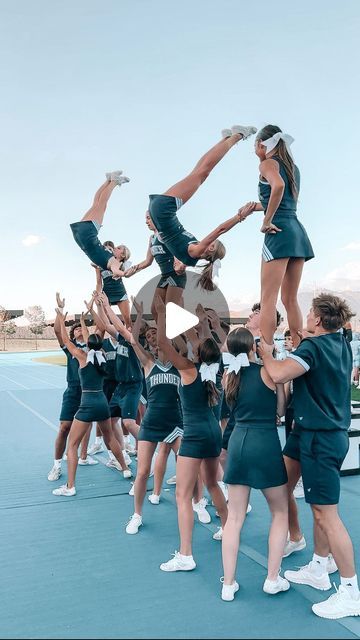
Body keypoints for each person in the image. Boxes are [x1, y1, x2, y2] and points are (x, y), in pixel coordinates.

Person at [259, 293, 360, 620]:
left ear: (316, 320)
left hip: (320, 438)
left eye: (309, 314)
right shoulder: (341, 341)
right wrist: (289, 293)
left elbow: (278, 375)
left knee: (325, 514)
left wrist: (266, 355)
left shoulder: (314, 348)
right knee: (281, 488)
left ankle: (350, 591)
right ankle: (318, 563)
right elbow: (294, 311)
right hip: (306, 432)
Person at [153, 295, 227, 572]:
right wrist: (198, 320)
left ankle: (185, 555)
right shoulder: (216, 370)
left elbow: (162, 344)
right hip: (212, 434)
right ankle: (229, 527)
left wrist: (161, 314)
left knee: (183, 496)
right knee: (212, 484)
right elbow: (207, 339)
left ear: (196, 352)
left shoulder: (188, 370)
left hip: (194, 436)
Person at [221, 328, 289, 601]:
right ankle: (272, 578)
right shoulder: (268, 372)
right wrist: (279, 379)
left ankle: (228, 584)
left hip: (238, 443)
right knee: (280, 513)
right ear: (252, 347)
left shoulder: (229, 377)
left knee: (234, 518)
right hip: (265, 443)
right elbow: (281, 411)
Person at [148, 126, 257, 291]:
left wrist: (240, 217)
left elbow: (220, 229)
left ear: (212, 248)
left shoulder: (197, 252)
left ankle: (238, 135)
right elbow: (180, 256)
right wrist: (182, 265)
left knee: (202, 173)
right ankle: (225, 139)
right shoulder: (192, 254)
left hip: (163, 212)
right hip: (160, 213)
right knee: (198, 173)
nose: (211, 241)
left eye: (213, 243)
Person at [52, 309, 132, 497]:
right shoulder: (102, 355)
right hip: (102, 403)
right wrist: (82, 320)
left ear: (87, 345)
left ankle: (70, 486)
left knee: (72, 445)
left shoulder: (81, 356)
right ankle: (125, 468)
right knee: (109, 437)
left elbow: (66, 341)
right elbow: (92, 339)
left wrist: (63, 322)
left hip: (87, 404)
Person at [250, 125, 314, 347]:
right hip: (296, 230)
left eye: (254, 145)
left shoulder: (267, 163)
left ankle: (267, 352)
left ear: (261, 144)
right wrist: (257, 207)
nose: (254, 150)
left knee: (268, 299)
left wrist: (266, 220)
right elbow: (285, 199)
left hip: (278, 231)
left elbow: (277, 186)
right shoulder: (292, 167)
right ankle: (299, 348)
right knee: (290, 299)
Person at [125, 303, 183, 534]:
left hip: (176, 423)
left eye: (165, 344)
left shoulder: (180, 366)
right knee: (141, 472)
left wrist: (163, 317)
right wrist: (139, 317)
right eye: (158, 345)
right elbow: (133, 341)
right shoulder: (149, 364)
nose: (161, 347)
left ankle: (195, 503)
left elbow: (176, 338)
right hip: (151, 423)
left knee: (189, 467)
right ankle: (137, 514)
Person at [47, 293, 92, 482]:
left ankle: (114, 456)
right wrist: (60, 313)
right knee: (64, 427)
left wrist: (85, 319)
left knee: (97, 427)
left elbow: (96, 332)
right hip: (73, 390)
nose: (77, 332)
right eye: (74, 331)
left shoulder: (91, 347)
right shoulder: (70, 348)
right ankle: (56, 465)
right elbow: (59, 332)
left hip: (90, 392)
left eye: (80, 329)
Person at [124, 212, 186, 318]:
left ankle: (182, 334)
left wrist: (180, 262)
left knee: (170, 312)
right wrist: (132, 270)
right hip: (164, 276)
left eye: (148, 218)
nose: (146, 221)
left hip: (175, 275)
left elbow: (178, 248)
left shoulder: (165, 233)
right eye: (146, 219)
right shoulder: (152, 238)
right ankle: (161, 334)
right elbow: (148, 261)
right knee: (155, 310)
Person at [70, 172, 129, 278]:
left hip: (88, 234)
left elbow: (116, 270)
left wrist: (125, 273)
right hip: (81, 236)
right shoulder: (110, 256)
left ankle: (114, 181)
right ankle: (108, 180)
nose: (116, 247)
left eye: (119, 248)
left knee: (101, 204)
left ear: (122, 255)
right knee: (97, 204)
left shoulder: (116, 263)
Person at [93, 242, 132, 328]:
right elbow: (99, 283)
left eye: (110, 250)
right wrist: (98, 295)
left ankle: (130, 339)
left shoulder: (119, 262)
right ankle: (98, 340)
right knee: (103, 319)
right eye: (106, 250)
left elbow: (126, 271)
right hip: (106, 292)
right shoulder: (99, 265)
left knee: (127, 320)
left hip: (120, 292)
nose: (109, 252)